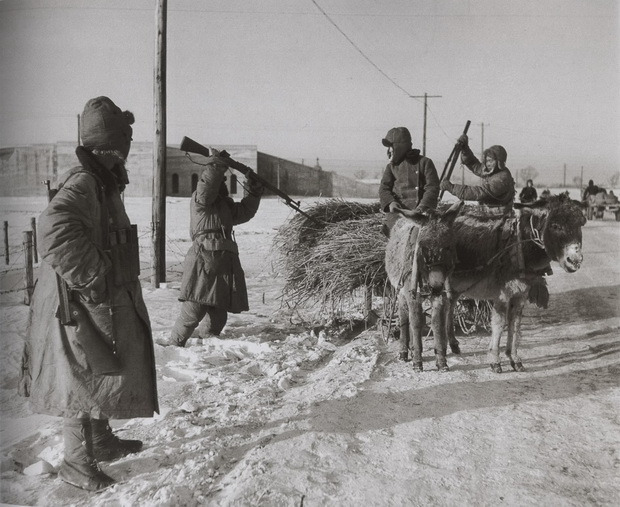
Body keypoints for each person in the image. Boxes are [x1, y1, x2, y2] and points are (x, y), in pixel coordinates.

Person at [19, 97, 159, 491]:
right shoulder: (85, 182)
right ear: (113, 146)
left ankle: (101, 441)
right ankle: (77, 465)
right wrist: (95, 277)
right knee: (79, 379)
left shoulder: (101, 179)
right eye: (125, 141)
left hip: (94, 300)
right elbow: (53, 230)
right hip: (78, 303)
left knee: (99, 369)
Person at [170, 151, 263, 347]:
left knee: (219, 308)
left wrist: (253, 191)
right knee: (194, 307)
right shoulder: (200, 201)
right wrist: (216, 166)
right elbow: (206, 188)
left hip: (224, 262)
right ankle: (175, 344)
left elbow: (245, 211)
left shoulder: (225, 208)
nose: (221, 185)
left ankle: (209, 338)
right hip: (204, 259)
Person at [378, 126, 440, 236]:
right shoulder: (391, 167)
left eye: (390, 146)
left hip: (421, 215)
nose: (388, 150)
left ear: (399, 147)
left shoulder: (425, 163)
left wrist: (422, 208)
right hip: (398, 215)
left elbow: (432, 188)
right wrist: (391, 202)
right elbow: (384, 189)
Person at [439, 134, 515, 206]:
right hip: (487, 210)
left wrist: (452, 188)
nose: (487, 164)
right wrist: (465, 149)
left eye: (490, 161)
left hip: (498, 214)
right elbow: (475, 166)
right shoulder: (493, 170)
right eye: (486, 160)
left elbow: (479, 192)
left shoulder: (502, 178)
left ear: (499, 162)